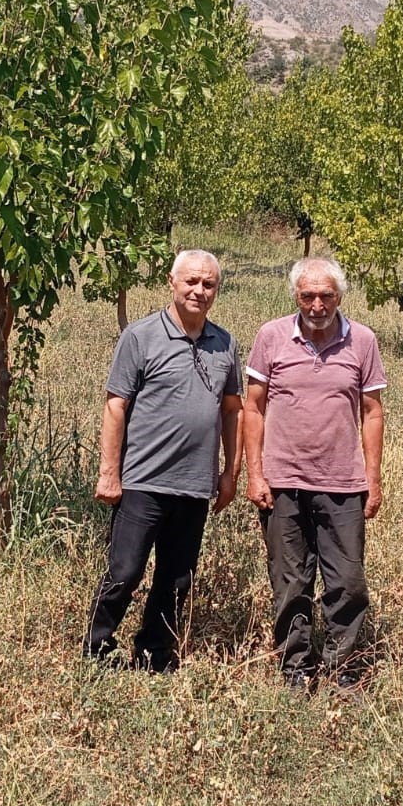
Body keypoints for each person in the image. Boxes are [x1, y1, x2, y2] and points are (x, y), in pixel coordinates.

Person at [85, 250, 243, 672]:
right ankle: (97, 649)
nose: (199, 290)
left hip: (194, 485)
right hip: (142, 481)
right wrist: (109, 473)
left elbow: (232, 409)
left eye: (208, 284)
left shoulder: (225, 343)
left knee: (176, 579)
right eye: (191, 281)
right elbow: (115, 405)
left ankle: (155, 654)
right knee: (125, 570)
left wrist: (230, 472)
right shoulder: (141, 337)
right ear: (172, 283)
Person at [244, 257, 386, 693]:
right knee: (290, 581)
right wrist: (255, 474)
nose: (317, 304)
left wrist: (374, 480)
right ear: (296, 296)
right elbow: (253, 408)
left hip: (342, 483)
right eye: (308, 295)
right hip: (282, 481)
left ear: (339, 296)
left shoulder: (362, 340)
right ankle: (296, 668)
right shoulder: (271, 337)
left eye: (326, 295)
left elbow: (372, 411)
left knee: (347, 581)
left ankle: (343, 667)